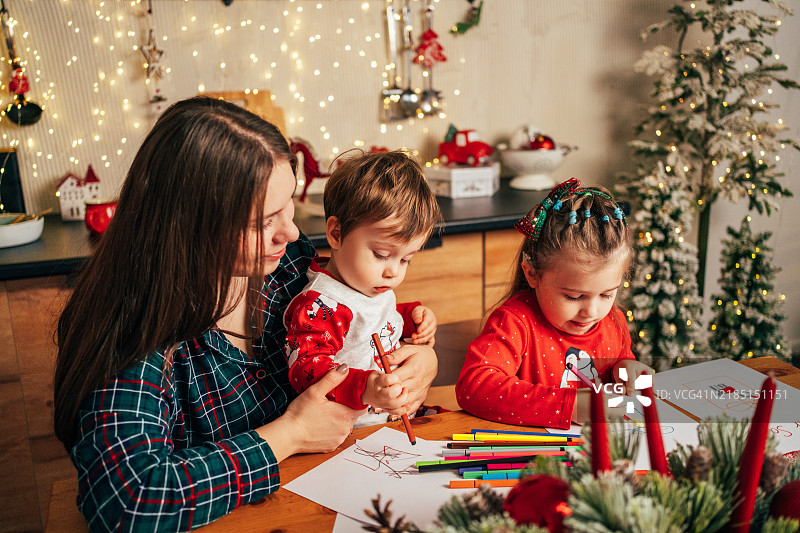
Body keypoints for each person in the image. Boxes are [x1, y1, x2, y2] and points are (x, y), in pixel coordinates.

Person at [52, 97, 437, 531]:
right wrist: (287, 435)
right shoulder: (131, 329)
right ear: (192, 225)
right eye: (263, 221)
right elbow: (128, 503)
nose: (291, 232)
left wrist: (418, 360)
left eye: (288, 203)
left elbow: (362, 323)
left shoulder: (288, 265)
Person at [455, 178, 653, 430]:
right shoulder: (515, 322)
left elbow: (621, 371)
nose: (592, 312)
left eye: (606, 295)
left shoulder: (613, 321)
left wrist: (626, 369)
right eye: (574, 296)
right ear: (533, 274)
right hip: (532, 458)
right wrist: (567, 406)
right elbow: (475, 387)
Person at [284, 150, 442, 427]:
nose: (393, 271)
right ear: (336, 233)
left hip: (396, 422)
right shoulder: (321, 304)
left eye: (406, 259)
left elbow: (372, 321)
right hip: (351, 437)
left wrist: (410, 316)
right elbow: (305, 368)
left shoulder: (368, 284)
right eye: (381, 254)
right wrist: (364, 387)